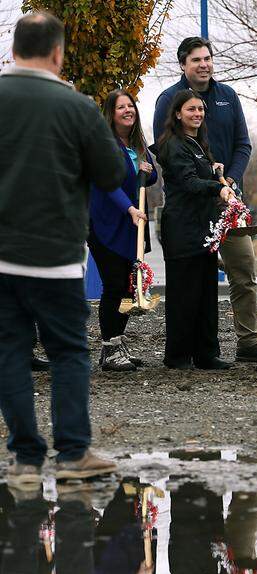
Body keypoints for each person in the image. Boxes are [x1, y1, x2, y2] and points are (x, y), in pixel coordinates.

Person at [0, 11, 122, 485]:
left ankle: (26, 460)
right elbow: (112, 175)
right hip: (55, 256)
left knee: (9, 353)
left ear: (13, 49)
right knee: (69, 352)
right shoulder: (76, 107)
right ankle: (72, 452)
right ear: (57, 53)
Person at [153, 37, 257, 363]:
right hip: (192, 210)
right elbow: (166, 152)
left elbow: (243, 145)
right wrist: (210, 184)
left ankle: (248, 342)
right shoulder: (168, 100)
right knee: (192, 283)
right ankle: (184, 352)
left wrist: (228, 182)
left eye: (208, 58)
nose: (204, 64)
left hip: (227, 203)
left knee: (243, 272)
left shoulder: (227, 97)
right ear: (183, 65)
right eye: (196, 60)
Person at [153, 90, 235, 370]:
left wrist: (214, 172)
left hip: (203, 228)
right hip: (182, 229)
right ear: (178, 113)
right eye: (191, 109)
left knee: (205, 294)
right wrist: (219, 187)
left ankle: (206, 354)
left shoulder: (196, 143)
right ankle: (177, 356)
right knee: (183, 296)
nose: (197, 114)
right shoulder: (174, 145)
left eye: (200, 109)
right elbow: (188, 183)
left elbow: (198, 175)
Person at [89, 89, 159, 372]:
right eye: (121, 107)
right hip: (107, 223)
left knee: (128, 286)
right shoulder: (103, 144)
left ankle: (117, 343)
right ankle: (109, 350)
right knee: (114, 285)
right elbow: (107, 183)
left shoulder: (138, 144)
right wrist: (129, 209)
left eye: (131, 105)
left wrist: (147, 169)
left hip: (133, 222)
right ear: (111, 113)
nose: (128, 110)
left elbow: (150, 175)